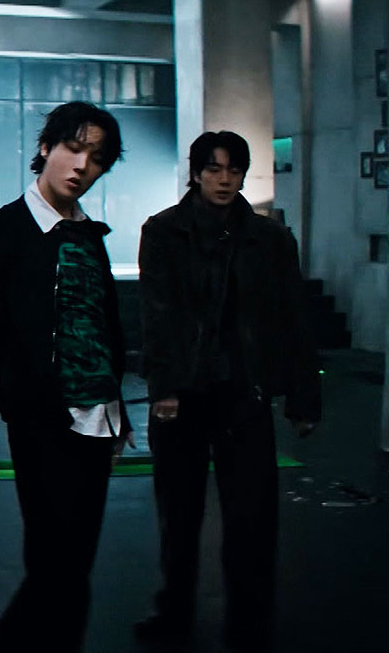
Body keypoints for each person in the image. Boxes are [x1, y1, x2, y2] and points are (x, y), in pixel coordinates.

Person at [134, 131, 320, 652]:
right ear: (196, 173)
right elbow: (157, 313)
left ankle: (249, 621)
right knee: (179, 512)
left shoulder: (269, 239)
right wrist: (166, 387)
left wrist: (303, 397)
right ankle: (174, 612)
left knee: (252, 516)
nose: (224, 179)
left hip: (244, 390)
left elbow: (293, 317)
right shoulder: (165, 231)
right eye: (214, 169)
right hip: (185, 393)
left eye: (233, 170)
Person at [0, 101, 132, 653]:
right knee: (51, 566)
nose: (82, 166)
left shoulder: (89, 233)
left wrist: (118, 412)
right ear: (45, 148)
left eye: (96, 158)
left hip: (97, 418)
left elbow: (104, 324)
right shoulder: (4, 229)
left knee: (76, 567)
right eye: (73, 149)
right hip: (38, 417)